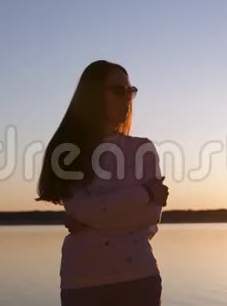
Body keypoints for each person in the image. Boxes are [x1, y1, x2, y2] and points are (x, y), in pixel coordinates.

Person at [36, 60, 169, 305]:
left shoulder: (142, 149)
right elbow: (83, 209)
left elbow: (149, 217)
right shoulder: (68, 152)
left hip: (138, 278)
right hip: (83, 282)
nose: (127, 98)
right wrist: (145, 193)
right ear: (93, 96)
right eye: (119, 91)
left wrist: (90, 219)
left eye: (130, 91)